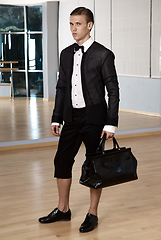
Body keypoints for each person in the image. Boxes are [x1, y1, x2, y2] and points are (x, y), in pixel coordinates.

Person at [39, 7, 119, 233]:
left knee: (94, 165)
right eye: (71, 24)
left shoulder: (103, 54)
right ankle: (63, 209)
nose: (74, 28)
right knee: (61, 161)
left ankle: (92, 213)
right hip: (71, 118)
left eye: (79, 24)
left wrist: (110, 122)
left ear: (89, 25)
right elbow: (62, 87)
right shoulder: (65, 53)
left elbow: (113, 90)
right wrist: (57, 117)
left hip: (95, 118)